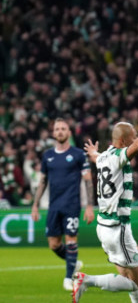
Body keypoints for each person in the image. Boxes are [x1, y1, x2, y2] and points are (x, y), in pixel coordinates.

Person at [72, 105, 138, 303]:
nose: (135, 140)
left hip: (104, 226)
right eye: (132, 137)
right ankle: (87, 281)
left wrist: (92, 152)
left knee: (127, 274)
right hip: (117, 227)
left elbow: (95, 156)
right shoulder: (118, 157)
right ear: (122, 141)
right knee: (136, 280)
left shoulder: (104, 157)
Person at [31, 118, 95, 291]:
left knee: (71, 239)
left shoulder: (78, 155)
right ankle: (73, 262)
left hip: (72, 204)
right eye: (57, 129)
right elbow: (43, 181)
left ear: (69, 132)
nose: (60, 131)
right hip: (54, 205)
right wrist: (35, 204)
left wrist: (89, 206)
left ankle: (68, 278)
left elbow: (88, 180)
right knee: (53, 244)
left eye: (63, 128)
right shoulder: (48, 156)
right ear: (53, 133)